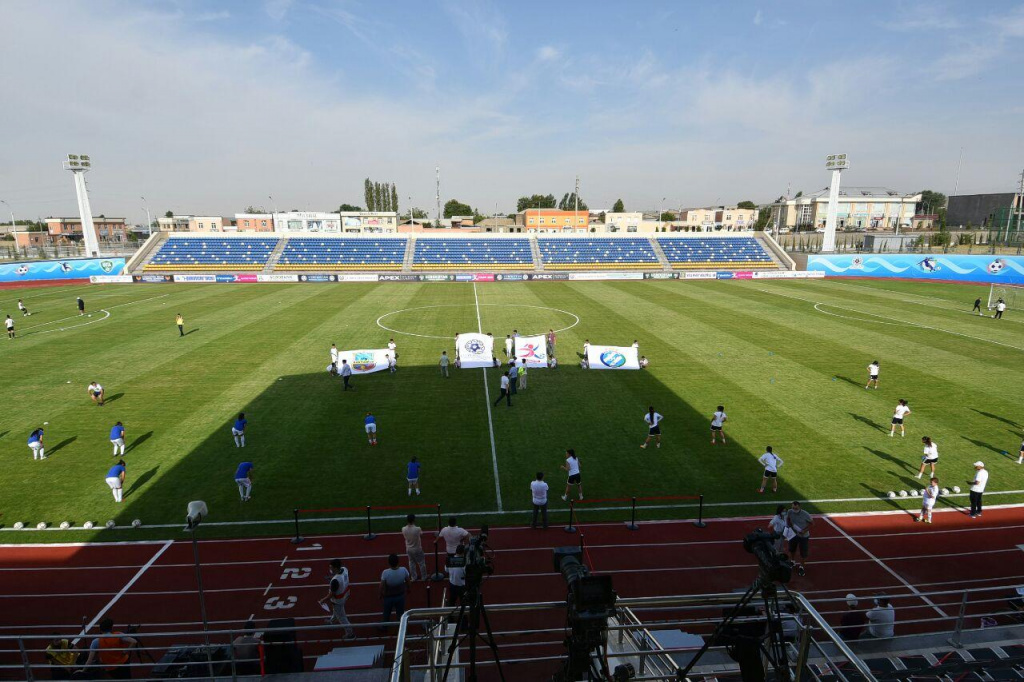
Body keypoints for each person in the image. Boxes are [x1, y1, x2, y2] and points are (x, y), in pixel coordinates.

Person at [319, 559, 355, 639]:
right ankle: (332, 621)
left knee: (342, 617)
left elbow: (331, 594)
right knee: (336, 611)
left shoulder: (335, 581)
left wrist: (323, 600)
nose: (330, 569)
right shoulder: (344, 569)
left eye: (331, 567)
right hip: (346, 594)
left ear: (335, 568)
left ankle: (350, 633)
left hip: (338, 600)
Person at [379, 554, 411, 630]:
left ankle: (384, 627)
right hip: (400, 595)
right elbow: (408, 581)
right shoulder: (403, 570)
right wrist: (409, 589)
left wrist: (380, 594)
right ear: (398, 562)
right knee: (400, 613)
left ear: (389, 563)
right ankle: (402, 627)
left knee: (386, 613)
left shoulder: (385, 573)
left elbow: (382, 586)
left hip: (388, 597)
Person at [785, 501, 813, 577]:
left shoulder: (805, 514)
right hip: (793, 534)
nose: (794, 509)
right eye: (793, 508)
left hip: (803, 536)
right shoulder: (790, 511)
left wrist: (804, 531)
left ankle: (801, 567)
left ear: (800, 507)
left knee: (803, 553)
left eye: (796, 508)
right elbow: (788, 518)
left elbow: (812, 523)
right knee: (792, 549)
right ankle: (792, 561)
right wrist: (789, 525)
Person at [402, 514, 427, 581]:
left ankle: (413, 577)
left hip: (409, 549)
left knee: (411, 563)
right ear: (414, 520)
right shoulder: (417, 529)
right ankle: (424, 577)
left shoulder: (403, 529)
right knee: (421, 563)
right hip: (417, 549)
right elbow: (421, 534)